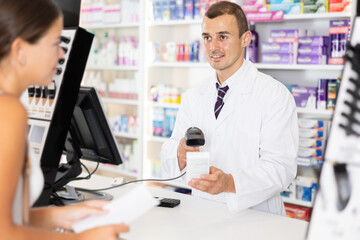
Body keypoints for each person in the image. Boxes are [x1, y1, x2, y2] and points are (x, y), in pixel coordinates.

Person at [0, 0, 129, 239]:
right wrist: (82, 238)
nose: (61, 54)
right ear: (20, 49)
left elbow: (8, 217)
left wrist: (59, 217)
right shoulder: (8, 110)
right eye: (55, 44)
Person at [160, 1, 298, 215]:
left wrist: (229, 183)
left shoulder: (274, 95)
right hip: (202, 212)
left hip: (257, 218)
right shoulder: (193, 96)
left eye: (222, 37)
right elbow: (171, 151)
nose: (213, 47)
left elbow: (281, 168)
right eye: (207, 37)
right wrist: (179, 153)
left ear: (245, 38)